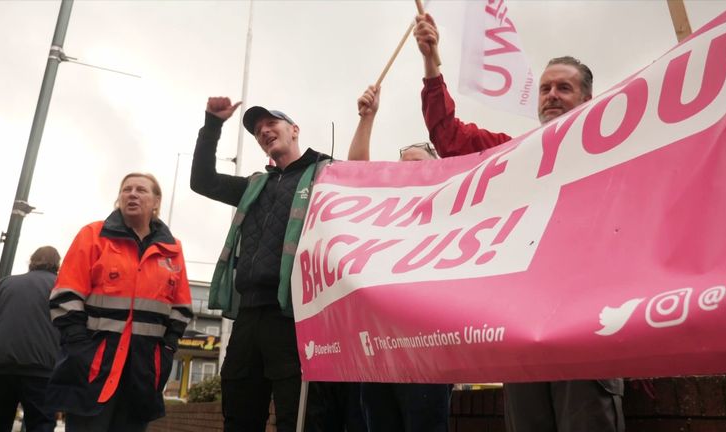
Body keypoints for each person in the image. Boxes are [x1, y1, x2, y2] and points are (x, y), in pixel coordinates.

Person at [414, 12, 625, 432]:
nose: (551, 95)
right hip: (526, 327)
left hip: (587, 323)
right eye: (545, 88)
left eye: (564, 87)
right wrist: (431, 61)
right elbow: (449, 136)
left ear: (587, 99)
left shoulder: (617, 150)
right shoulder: (516, 155)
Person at [191, 98, 365, 432]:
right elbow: (203, 181)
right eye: (258, 131)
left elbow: (361, 179)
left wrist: (365, 117)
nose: (264, 131)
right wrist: (212, 124)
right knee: (239, 416)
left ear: (294, 130)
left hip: (294, 317)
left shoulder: (325, 174)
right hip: (247, 318)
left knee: (298, 417)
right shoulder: (254, 185)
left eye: (272, 123)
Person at [46, 173, 193, 432]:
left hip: (143, 373)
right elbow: (65, 296)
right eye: (127, 189)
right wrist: (80, 347)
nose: (132, 194)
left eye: (141, 190)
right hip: (93, 368)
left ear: (156, 201)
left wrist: (167, 351)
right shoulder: (93, 235)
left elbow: (180, 309)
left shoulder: (173, 250)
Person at [348, 85, 452, 432]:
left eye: (418, 166)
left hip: (428, 349)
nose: (408, 172)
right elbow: (355, 175)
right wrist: (367, 118)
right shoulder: (384, 211)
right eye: (402, 166)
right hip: (379, 348)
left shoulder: (451, 209)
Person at [0, 246, 62, 432]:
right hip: (42, 370)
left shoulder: (4, 284)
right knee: (40, 424)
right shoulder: (61, 287)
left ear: (31, 261)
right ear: (57, 264)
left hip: (1, 368)